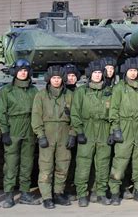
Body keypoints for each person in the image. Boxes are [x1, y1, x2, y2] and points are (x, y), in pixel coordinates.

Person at [0, 59, 40, 208]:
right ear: (15, 72)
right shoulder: (6, 91)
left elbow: (39, 111)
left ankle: (25, 193)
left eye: (25, 70)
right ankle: (9, 195)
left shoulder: (34, 90)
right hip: (13, 127)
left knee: (27, 163)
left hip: (29, 127)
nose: (23, 73)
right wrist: (5, 132)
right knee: (11, 163)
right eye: (20, 70)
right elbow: (1, 112)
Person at [31, 65, 76, 209]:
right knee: (46, 166)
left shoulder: (69, 95)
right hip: (47, 133)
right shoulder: (41, 95)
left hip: (64, 132)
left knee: (63, 165)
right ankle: (47, 197)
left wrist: (72, 134)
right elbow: (36, 116)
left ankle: (58, 193)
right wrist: (40, 134)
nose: (56, 81)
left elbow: (76, 116)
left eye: (58, 78)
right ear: (49, 79)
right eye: (53, 78)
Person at [108, 57, 138, 206]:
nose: (133, 73)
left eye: (135, 70)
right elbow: (113, 110)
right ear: (126, 72)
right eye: (130, 70)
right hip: (125, 127)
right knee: (121, 160)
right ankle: (114, 191)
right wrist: (116, 129)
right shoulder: (120, 88)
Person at [71, 59, 112, 207]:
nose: (97, 75)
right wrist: (79, 131)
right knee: (83, 162)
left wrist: (112, 132)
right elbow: (75, 113)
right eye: (94, 73)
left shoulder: (108, 91)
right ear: (90, 74)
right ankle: (82, 193)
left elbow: (114, 112)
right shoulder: (81, 91)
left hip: (104, 128)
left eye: (99, 73)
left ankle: (100, 193)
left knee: (103, 163)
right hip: (87, 128)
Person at [62, 63, 81, 201]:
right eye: (68, 75)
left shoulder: (81, 92)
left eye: (73, 76)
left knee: (76, 161)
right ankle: (61, 188)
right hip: (61, 132)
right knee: (62, 162)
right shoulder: (59, 92)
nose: (71, 78)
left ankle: (73, 186)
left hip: (78, 131)